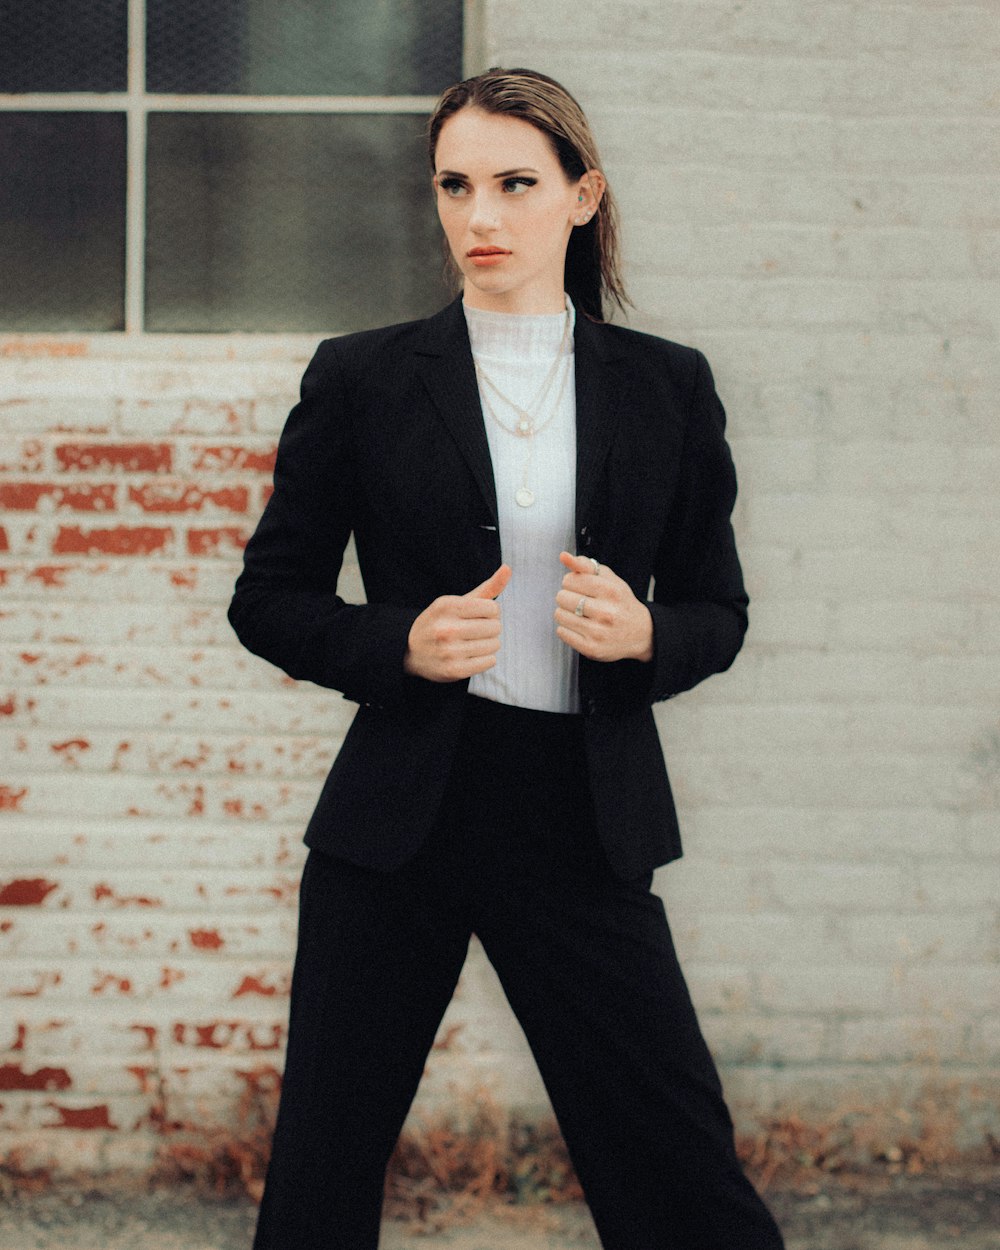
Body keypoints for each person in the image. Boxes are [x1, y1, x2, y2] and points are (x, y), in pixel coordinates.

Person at [229, 66, 785, 1250]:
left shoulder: (665, 387)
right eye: (455, 185)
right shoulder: (364, 377)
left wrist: (648, 634)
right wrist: (396, 640)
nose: (480, 217)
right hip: (399, 818)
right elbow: (268, 598)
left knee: (679, 1169)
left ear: (582, 197)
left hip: (579, 814)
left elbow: (718, 609)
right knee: (322, 1170)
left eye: (515, 184)